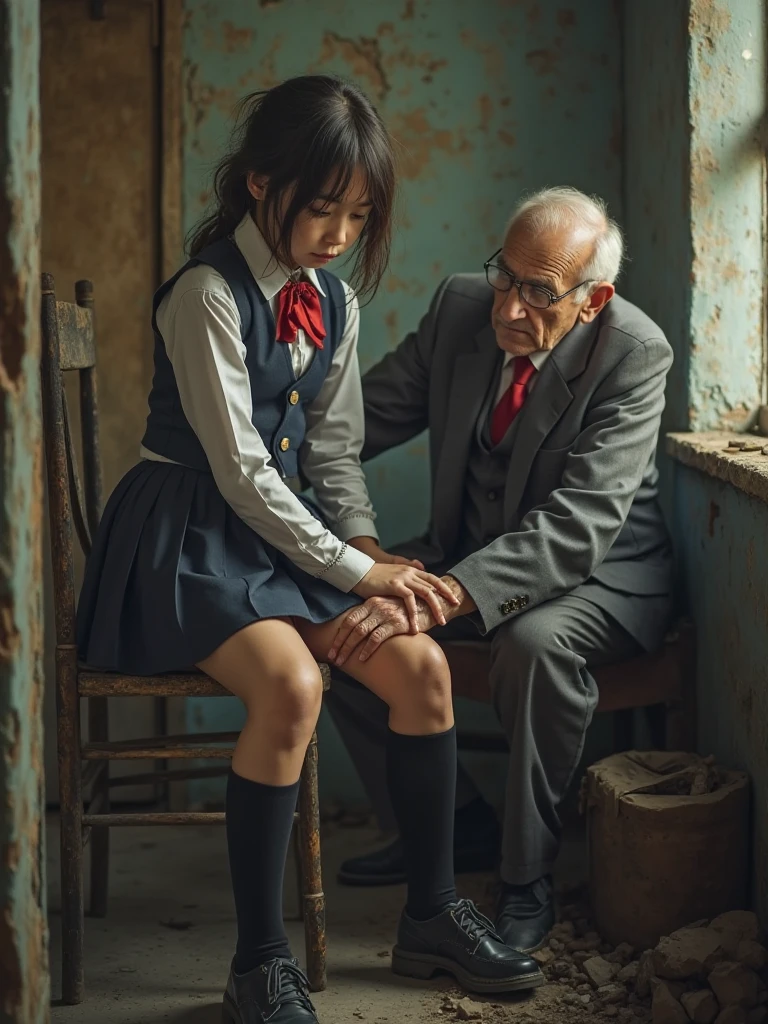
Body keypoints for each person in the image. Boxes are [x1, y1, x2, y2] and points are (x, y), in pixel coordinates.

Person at [77, 76, 543, 1024]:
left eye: (357, 213)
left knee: (422, 671)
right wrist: (358, 568)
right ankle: (258, 964)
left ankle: (432, 913)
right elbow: (243, 473)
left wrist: (369, 553)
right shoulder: (205, 293)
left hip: (293, 539)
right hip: (190, 534)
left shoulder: (332, 297)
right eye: (321, 207)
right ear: (259, 184)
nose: (337, 234)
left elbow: (331, 450)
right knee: (291, 688)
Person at [324, 186, 675, 955]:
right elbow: (353, 421)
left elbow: (580, 527)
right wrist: (331, 524)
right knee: (332, 613)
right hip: (471, 552)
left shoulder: (634, 351)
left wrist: (447, 595)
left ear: (593, 301)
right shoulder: (459, 309)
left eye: (539, 292)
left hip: (602, 576)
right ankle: (456, 827)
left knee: (535, 643)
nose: (510, 308)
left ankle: (525, 879)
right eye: (504, 277)